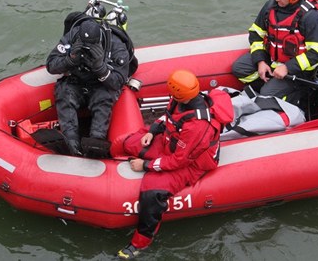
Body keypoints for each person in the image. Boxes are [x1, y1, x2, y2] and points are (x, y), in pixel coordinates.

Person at [117, 69, 231, 259]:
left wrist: (145, 166)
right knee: (129, 143)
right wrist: (152, 131)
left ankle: (140, 243)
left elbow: (179, 161)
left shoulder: (197, 124)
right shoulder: (180, 100)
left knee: (152, 191)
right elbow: (166, 117)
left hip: (191, 164)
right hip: (171, 143)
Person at [232, 0, 318, 104]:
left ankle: (298, 95)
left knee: (267, 94)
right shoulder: (270, 7)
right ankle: (267, 85)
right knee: (239, 68)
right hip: (272, 59)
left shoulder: (311, 18)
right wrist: (260, 61)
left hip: (298, 69)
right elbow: (255, 33)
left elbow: (317, 53)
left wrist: (287, 68)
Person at [46, 17, 129, 156]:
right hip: (76, 82)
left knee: (103, 100)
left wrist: (100, 68)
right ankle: (71, 141)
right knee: (64, 93)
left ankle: (96, 141)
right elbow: (51, 65)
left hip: (101, 84)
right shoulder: (72, 36)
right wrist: (70, 59)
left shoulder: (115, 46)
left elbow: (118, 82)